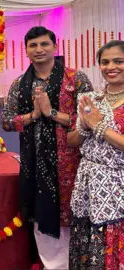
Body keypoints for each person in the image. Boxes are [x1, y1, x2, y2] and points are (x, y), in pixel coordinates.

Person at [0, 26, 94, 269]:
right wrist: (33, 114)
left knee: (71, 209)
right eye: (33, 45)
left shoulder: (76, 79)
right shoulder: (20, 83)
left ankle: (75, 261)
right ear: (27, 51)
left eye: (44, 44)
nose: (39, 49)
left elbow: (91, 118)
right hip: (33, 160)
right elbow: (7, 122)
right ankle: (51, 264)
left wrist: (51, 113)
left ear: (54, 46)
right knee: (40, 209)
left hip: (70, 158)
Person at [67, 40, 124, 269]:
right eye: (105, 61)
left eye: (119, 61)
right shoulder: (91, 98)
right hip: (89, 181)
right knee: (88, 238)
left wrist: (99, 126)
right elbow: (72, 141)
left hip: (118, 182)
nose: (111, 66)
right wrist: (84, 124)